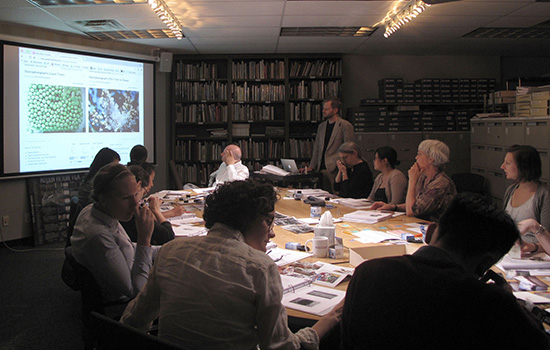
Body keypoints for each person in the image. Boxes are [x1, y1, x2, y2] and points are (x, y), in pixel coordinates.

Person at [120, 180, 343, 350]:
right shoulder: (260, 268)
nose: (272, 232)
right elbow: (279, 347)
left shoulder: (170, 251)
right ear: (250, 219)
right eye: (268, 221)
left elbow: (133, 320)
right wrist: (325, 324)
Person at [341, 193, 549, 349]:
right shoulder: (489, 302)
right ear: (485, 264)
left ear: (430, 230)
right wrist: (510, 302)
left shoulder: (368, 273)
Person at [71, 163, 159, 302]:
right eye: (125, 198)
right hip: (126, 303)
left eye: (136, 194)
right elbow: (136, 291)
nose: (135, 203)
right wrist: (144, 238)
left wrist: (170, 249)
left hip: (135, 273)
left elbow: (128, 247)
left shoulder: (98, 211)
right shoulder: (99, 236)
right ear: (103, 199)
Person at [372, 139, 456, 221]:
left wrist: (412, 181)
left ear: (431, 159)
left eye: (420, 154)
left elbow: (412, 211)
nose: (416, 157)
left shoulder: (441, 183)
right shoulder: (423, 177)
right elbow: (414, 204)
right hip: (420, 224)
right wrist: (393, 207)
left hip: (436, 229)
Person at [501, 144, 550, 254]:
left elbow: (547, 239)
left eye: (508, 163)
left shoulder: (544, 194)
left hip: (535, 255)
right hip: (512, 252)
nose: (502, 166)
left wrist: (531, 247)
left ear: (523, 167)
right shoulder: (511, 190)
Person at [301, 97, 355, 192]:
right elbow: (317, 148)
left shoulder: (345, 126)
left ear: (335, 110)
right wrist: (312, 166)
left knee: (336, 194)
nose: (323, 111)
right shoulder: (321, 126)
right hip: (320, 168)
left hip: (335, 168)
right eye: (323, 109)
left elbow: (349, 148)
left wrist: (342, 166)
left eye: (326, 109)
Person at [121, 165, 175, 246]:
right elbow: (168, 237)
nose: (136, 202)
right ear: (138, 185)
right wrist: (156, 210)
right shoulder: (132, 212)